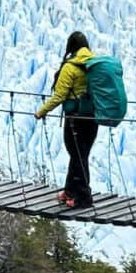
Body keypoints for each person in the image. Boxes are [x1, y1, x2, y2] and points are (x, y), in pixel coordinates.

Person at [35, 30, 98, 208]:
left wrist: (41, 111)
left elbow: (59, 95)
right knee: (80, 154)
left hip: (75, 119)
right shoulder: (94, 64)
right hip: (92, 118)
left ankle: (83, 198)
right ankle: (70, 191)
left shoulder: (70, 67)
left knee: (78, 155)